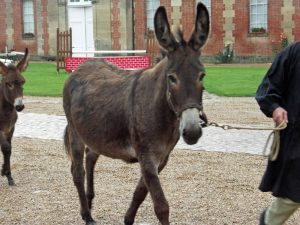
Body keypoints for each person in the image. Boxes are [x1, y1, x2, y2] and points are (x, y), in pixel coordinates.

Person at [256, 42, 300, 225]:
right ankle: (269, 220)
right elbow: (268, 88)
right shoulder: (293, 53)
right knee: (292, 195)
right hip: (296, 138)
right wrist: (274, 108)